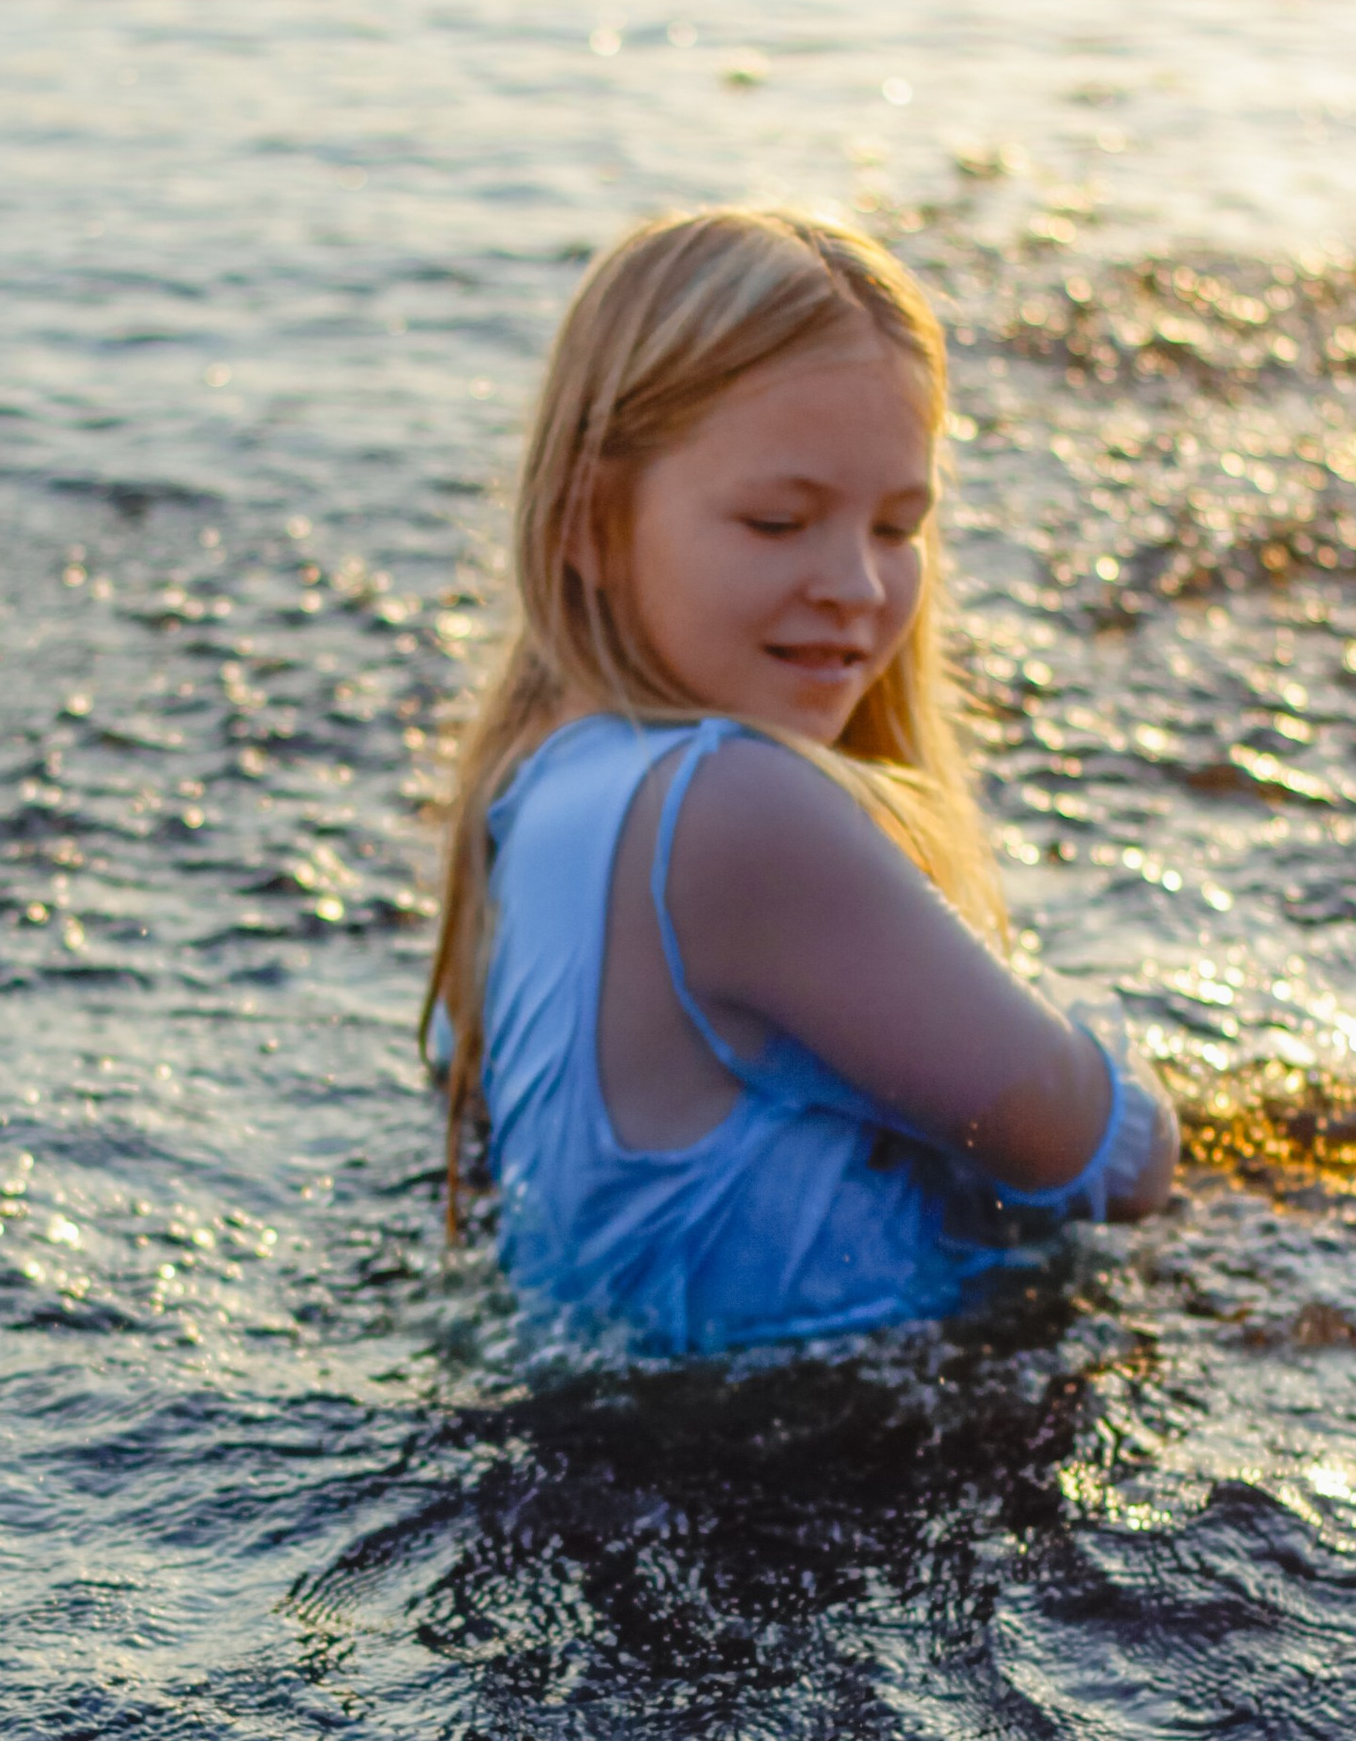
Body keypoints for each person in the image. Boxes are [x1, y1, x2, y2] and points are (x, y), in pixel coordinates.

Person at [423, 204, 1177, 1353]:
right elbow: (1105, 1153)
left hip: (600, 1485)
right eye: (779, 522)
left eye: (896, 526)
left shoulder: (539, 782)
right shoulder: (726, 808)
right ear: (586, 522)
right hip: (803, 1508)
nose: (857, 588)